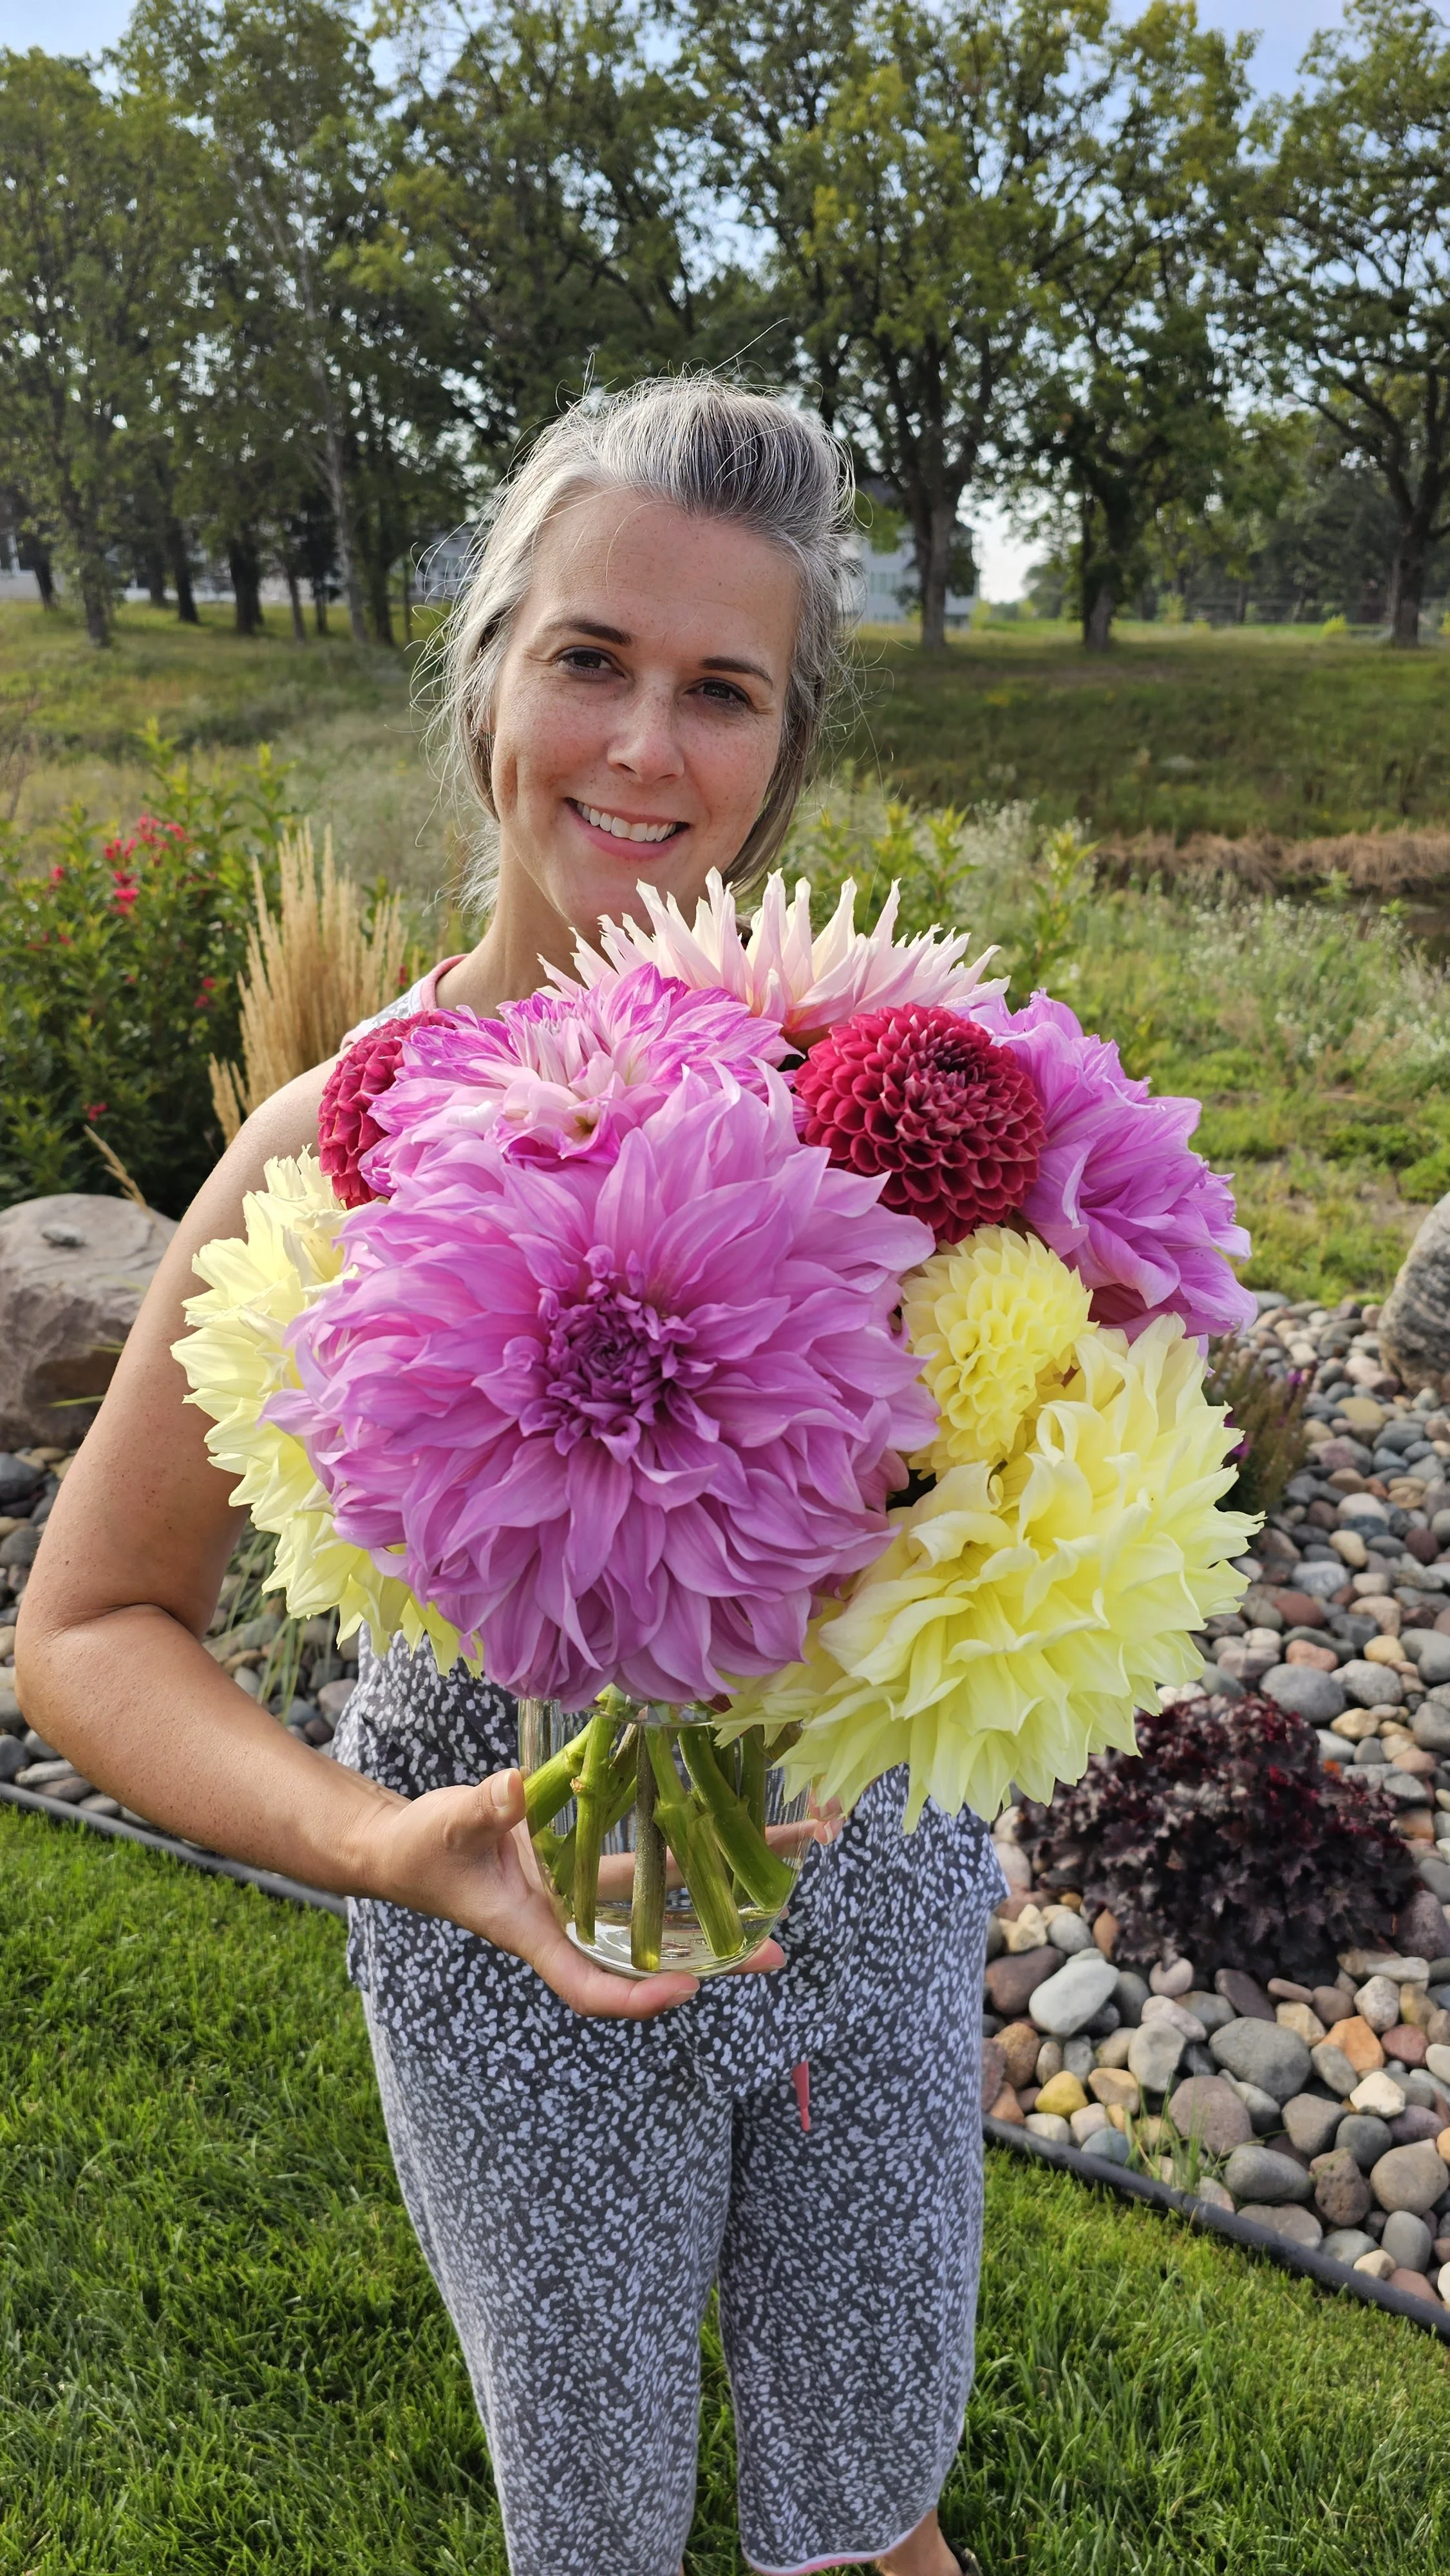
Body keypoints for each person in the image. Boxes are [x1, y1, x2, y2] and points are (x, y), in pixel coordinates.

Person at [18, 377, 1002, 2576]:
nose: (645, 749)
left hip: (876, 1934)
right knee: (598, 2525)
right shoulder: (331, 1158)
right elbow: (86, 1630)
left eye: (719, 690)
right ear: (487, 684)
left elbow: (1067, 1488)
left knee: (871, 2501)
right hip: (515, 1979)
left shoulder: (908, 1118)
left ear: (782, 747)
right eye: (589, 660)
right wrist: (394, 1844)